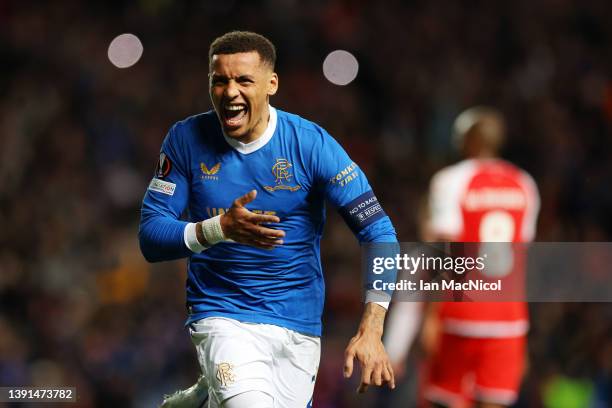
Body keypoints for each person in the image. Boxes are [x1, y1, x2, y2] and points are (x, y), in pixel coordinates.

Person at [139, 31, 396, 408]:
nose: (230, 93)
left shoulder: (311, 144)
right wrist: (219, 229)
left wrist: (373, 326)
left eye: (243, 80)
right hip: (221, 315)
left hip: (298, 324)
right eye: (220, 80)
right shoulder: (185, 140)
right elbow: (150, 235)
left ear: (271, 84)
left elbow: (378, 229)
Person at [384, 106, 540, 408]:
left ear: (466, 141)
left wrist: (432, 316)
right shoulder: (525, 184)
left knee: (444, 398)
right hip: (509, 319)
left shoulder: (451, 181)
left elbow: (447, 249)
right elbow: (522, 256)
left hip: (461, 315)